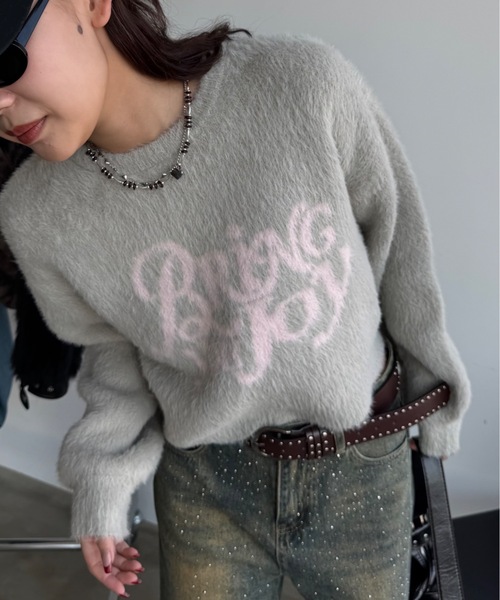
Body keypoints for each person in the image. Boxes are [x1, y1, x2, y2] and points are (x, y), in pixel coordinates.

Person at [0, 0, 471, 598]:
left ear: (90, 5)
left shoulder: (302, 85)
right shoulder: (34, 213)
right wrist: (102, 483)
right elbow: (113, 351)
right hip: (203, 482)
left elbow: (400, 248)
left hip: (360, 463)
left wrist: (436, 401)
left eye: (6, 57)